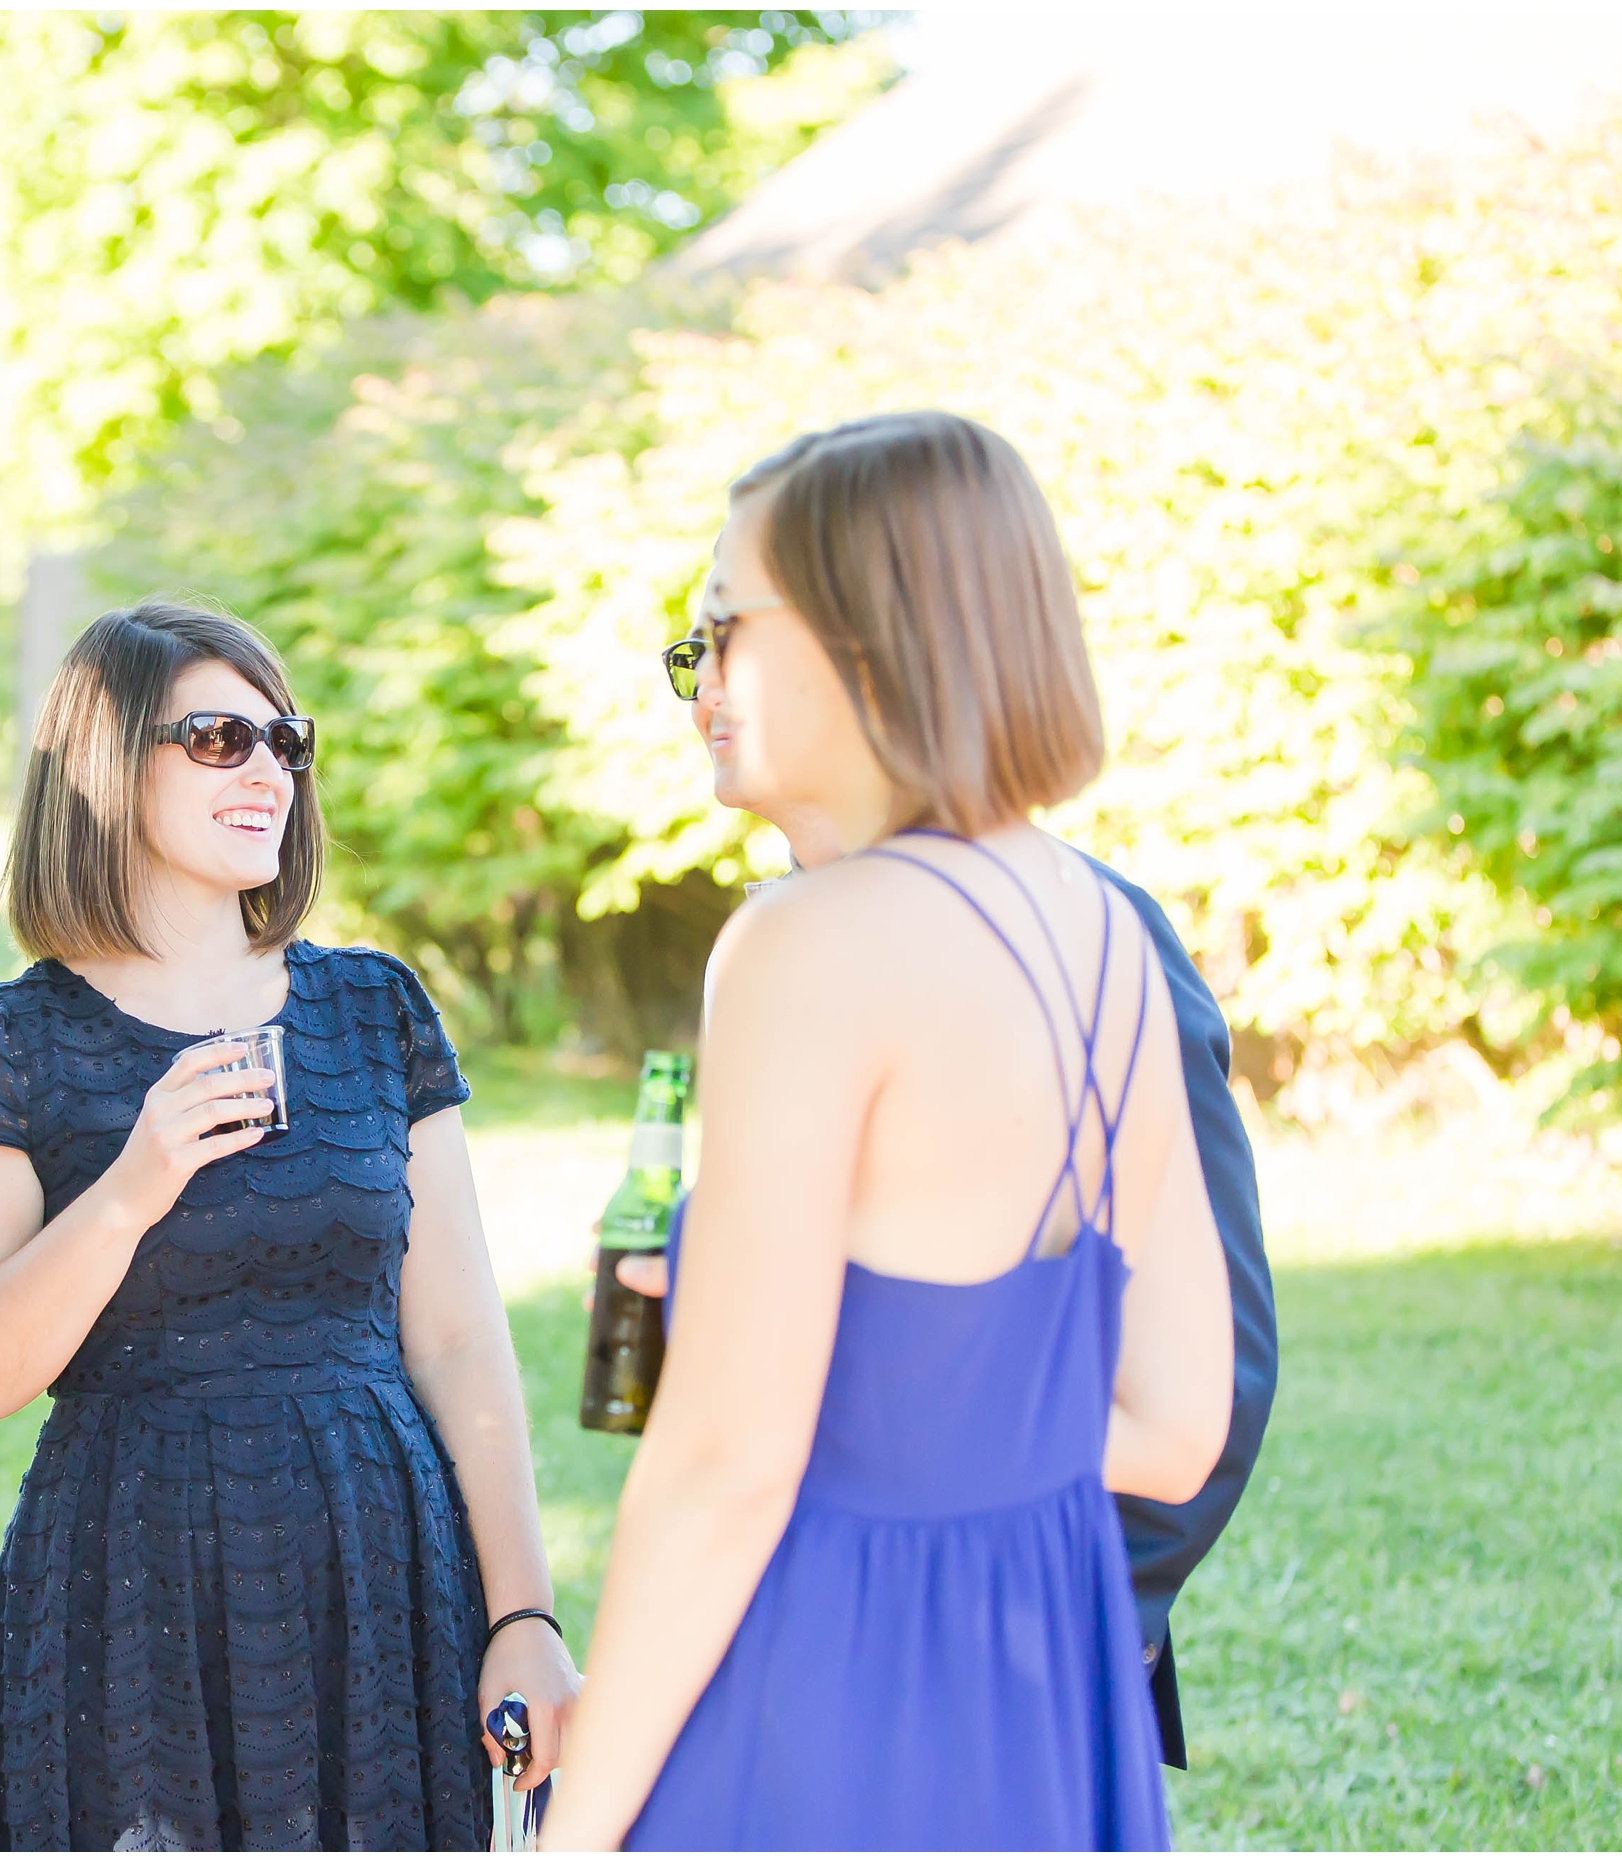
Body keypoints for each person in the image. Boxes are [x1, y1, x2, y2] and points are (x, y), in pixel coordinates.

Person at [544, 413, 1237, 1850]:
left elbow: (730, 1469)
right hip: (1042, 1682)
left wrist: (569, 1833)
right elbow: (1175, 1431)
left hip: (827, 1682)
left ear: (872, 628)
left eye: (727, 624)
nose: (702, 680)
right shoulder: (1108, 929)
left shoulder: (807, 940)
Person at [0, 601, 581, 1850]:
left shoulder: (376, 1010)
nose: (267, 768)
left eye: (285, 740)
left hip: (378, 1573)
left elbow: (462, 1340)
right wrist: (130, 1186)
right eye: (218, 737)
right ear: (106, 765)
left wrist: (521, 1613)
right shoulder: (1, 1043)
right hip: (132, 1584)